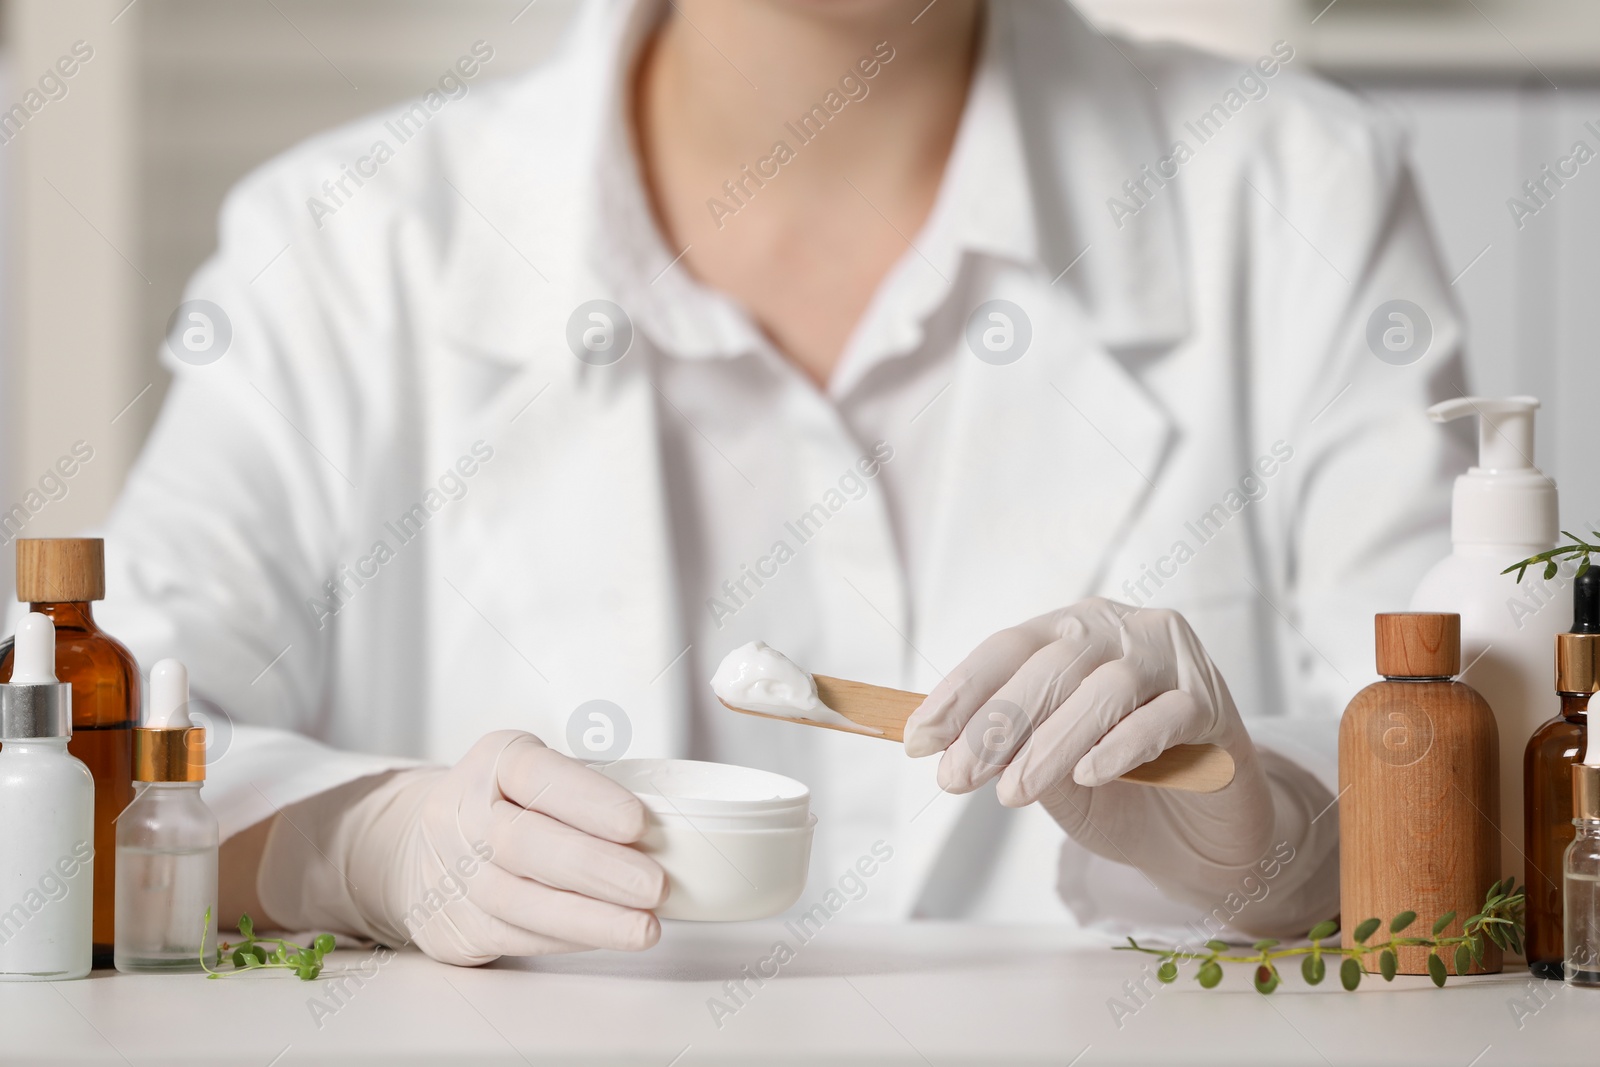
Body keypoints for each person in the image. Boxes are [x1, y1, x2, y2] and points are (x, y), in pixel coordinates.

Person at [96, 0, 1467, 965]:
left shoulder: (1300, 196)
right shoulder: (345, 247)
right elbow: (79, 779)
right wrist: (352, 848)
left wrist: (1261, 831)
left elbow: (1477, 826)